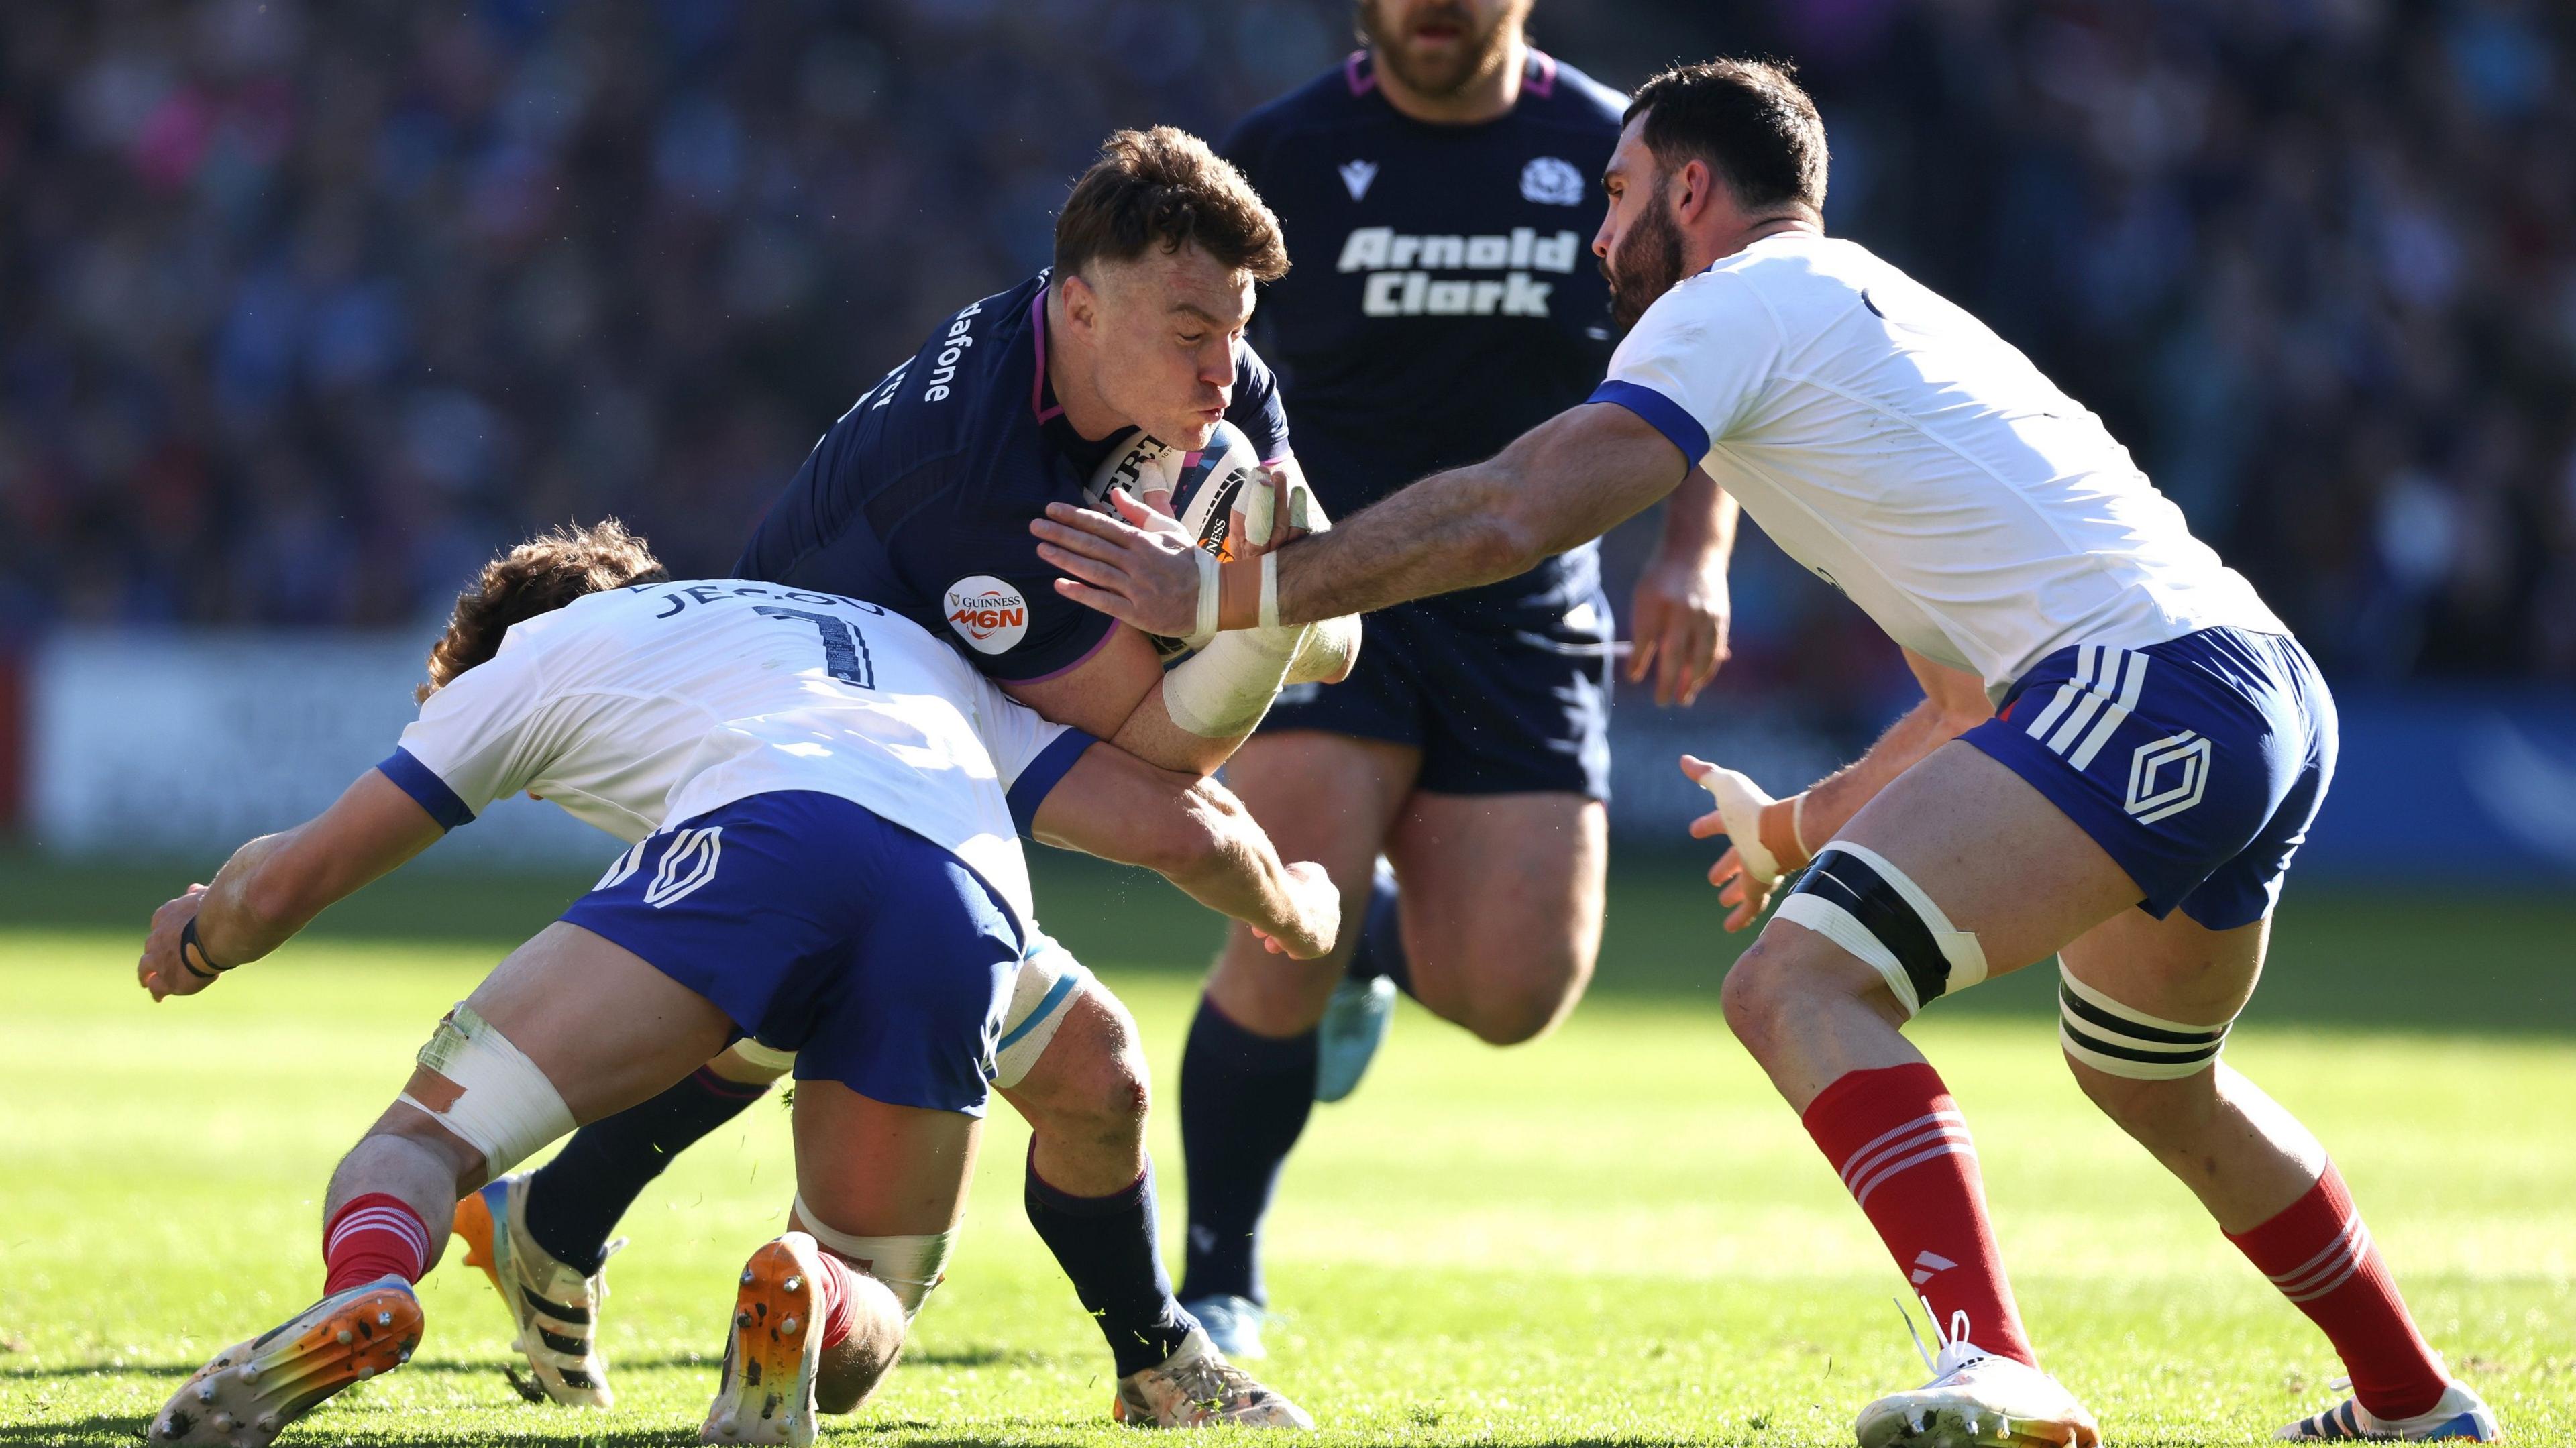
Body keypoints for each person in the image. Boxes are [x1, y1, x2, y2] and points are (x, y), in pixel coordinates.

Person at [1030, 58, 2503, 1447]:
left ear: (1690, 190)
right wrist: (1797, 828)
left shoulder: (1729, 300)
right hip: (2248, 689)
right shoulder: (1869, 310)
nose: (1599, 234)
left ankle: (1994, 1356)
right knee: (2155, 1080)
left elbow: (1513, 509)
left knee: (1797, 986)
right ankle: (2410, 1398)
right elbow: (1964, 700)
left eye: (1617, 195)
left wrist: (1225, 594)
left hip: (2145, 691)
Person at [448, 126, 1364, 1409]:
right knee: (1015, 1034)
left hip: (902, 733)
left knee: (1055, 1069)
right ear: (1082, 309)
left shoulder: (1193, 362)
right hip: (830, 750)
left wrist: (1257, 595)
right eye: (1191, 334)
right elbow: (1171, 756)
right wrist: (1242, 626)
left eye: (1235, 329)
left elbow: (1310, 586)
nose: (1224, 368)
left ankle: (555, 1222)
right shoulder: (975, 488)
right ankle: (928, 1320)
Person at [140, 522, 1335, 1447]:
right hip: (961, 893)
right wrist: (1294, 908)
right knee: (885, 1289)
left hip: (759, 851)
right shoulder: (888, 642)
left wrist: (201, 940)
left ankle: (373, 1288)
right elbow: (1170, 826)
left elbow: (299, 874)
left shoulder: (534, 660)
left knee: (418, 1143)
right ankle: (808, 1284)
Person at [1173, 0, 1739, 1355]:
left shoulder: (1615, 152)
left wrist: (1697, 549)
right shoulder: (1282, 154)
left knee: (1512, 995)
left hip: (1525, 604)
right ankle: (1219, 1283)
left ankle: (1373, 941)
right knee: (1286, 918)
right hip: (1324, 590)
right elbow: (1179, 360)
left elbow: (1719, 351)